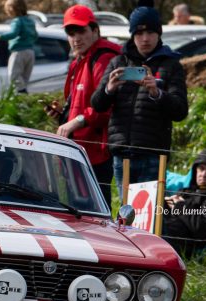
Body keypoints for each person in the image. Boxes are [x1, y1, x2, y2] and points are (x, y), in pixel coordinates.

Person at [91, 5, 188, 200]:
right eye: (139, 32)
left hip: (152, 155)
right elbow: (97, 104)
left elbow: (180, 111)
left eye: (151, 32)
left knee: (148, 218)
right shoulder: (118, 62)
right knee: (127, 216)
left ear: (159, 34)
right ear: (132, 35)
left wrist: (156, 92)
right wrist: (109, 88)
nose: (145, 38)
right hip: (121, 153)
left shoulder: (171, 65)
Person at [45, 5, 120, 207]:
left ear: (95, 31)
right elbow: (82, 104)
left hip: (96, 154)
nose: (76, 38)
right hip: (78, 150)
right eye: (71, 32)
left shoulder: (103, 58)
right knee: (76, 210)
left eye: (81, 31)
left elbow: (105, 107)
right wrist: (64, 115)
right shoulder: (80, 60)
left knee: (92, 215)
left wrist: (75, 122)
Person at [161, 148, 206, 259]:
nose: (204, 174)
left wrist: (180, 207)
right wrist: (165, 203)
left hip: (186, 245)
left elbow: (204, 230)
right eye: (201, 169)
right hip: (167, 233)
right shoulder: (186, 191)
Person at [0, 0, 37, 94]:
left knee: (14, 76)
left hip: (18, 52)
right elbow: (35, 35)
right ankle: (22, 96)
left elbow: (13, 33)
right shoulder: (30, 21)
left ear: (12, 10)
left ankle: (22, 93)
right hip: (30, 52)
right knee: (24, 77)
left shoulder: (17, 21)